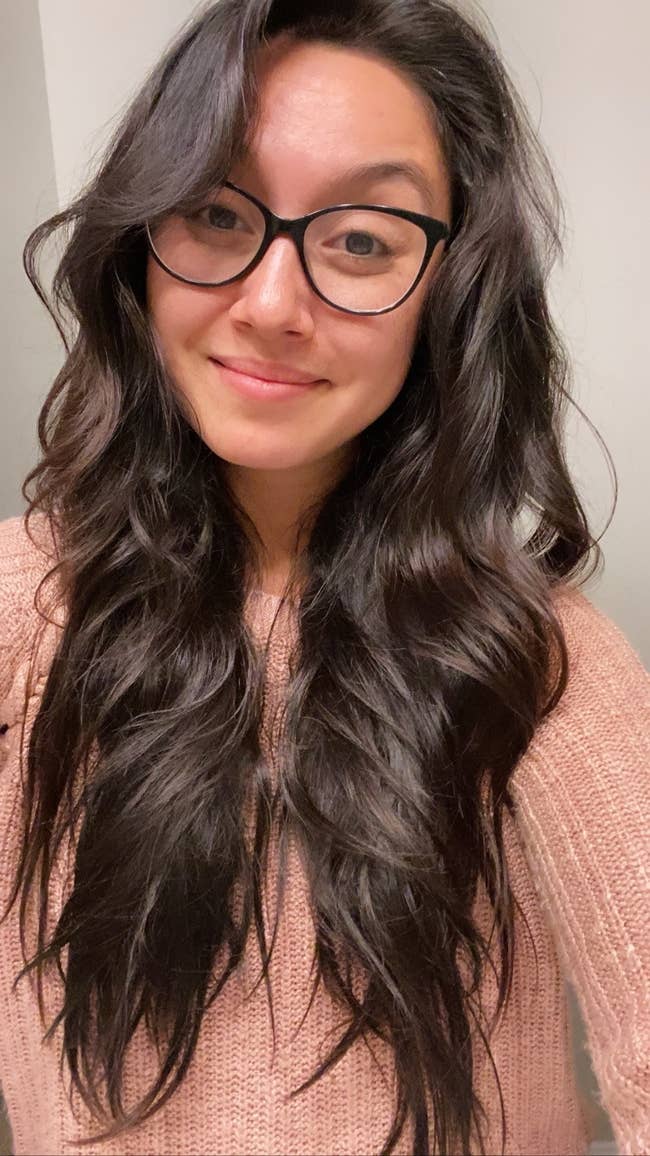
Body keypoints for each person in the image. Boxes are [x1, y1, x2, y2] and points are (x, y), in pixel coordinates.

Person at [0, 1, 648, 1154]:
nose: (269, 305)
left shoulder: (533, 656)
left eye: (359, 240)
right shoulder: (19, 610)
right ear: (139, 242)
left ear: (449, 289)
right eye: (214, 212)